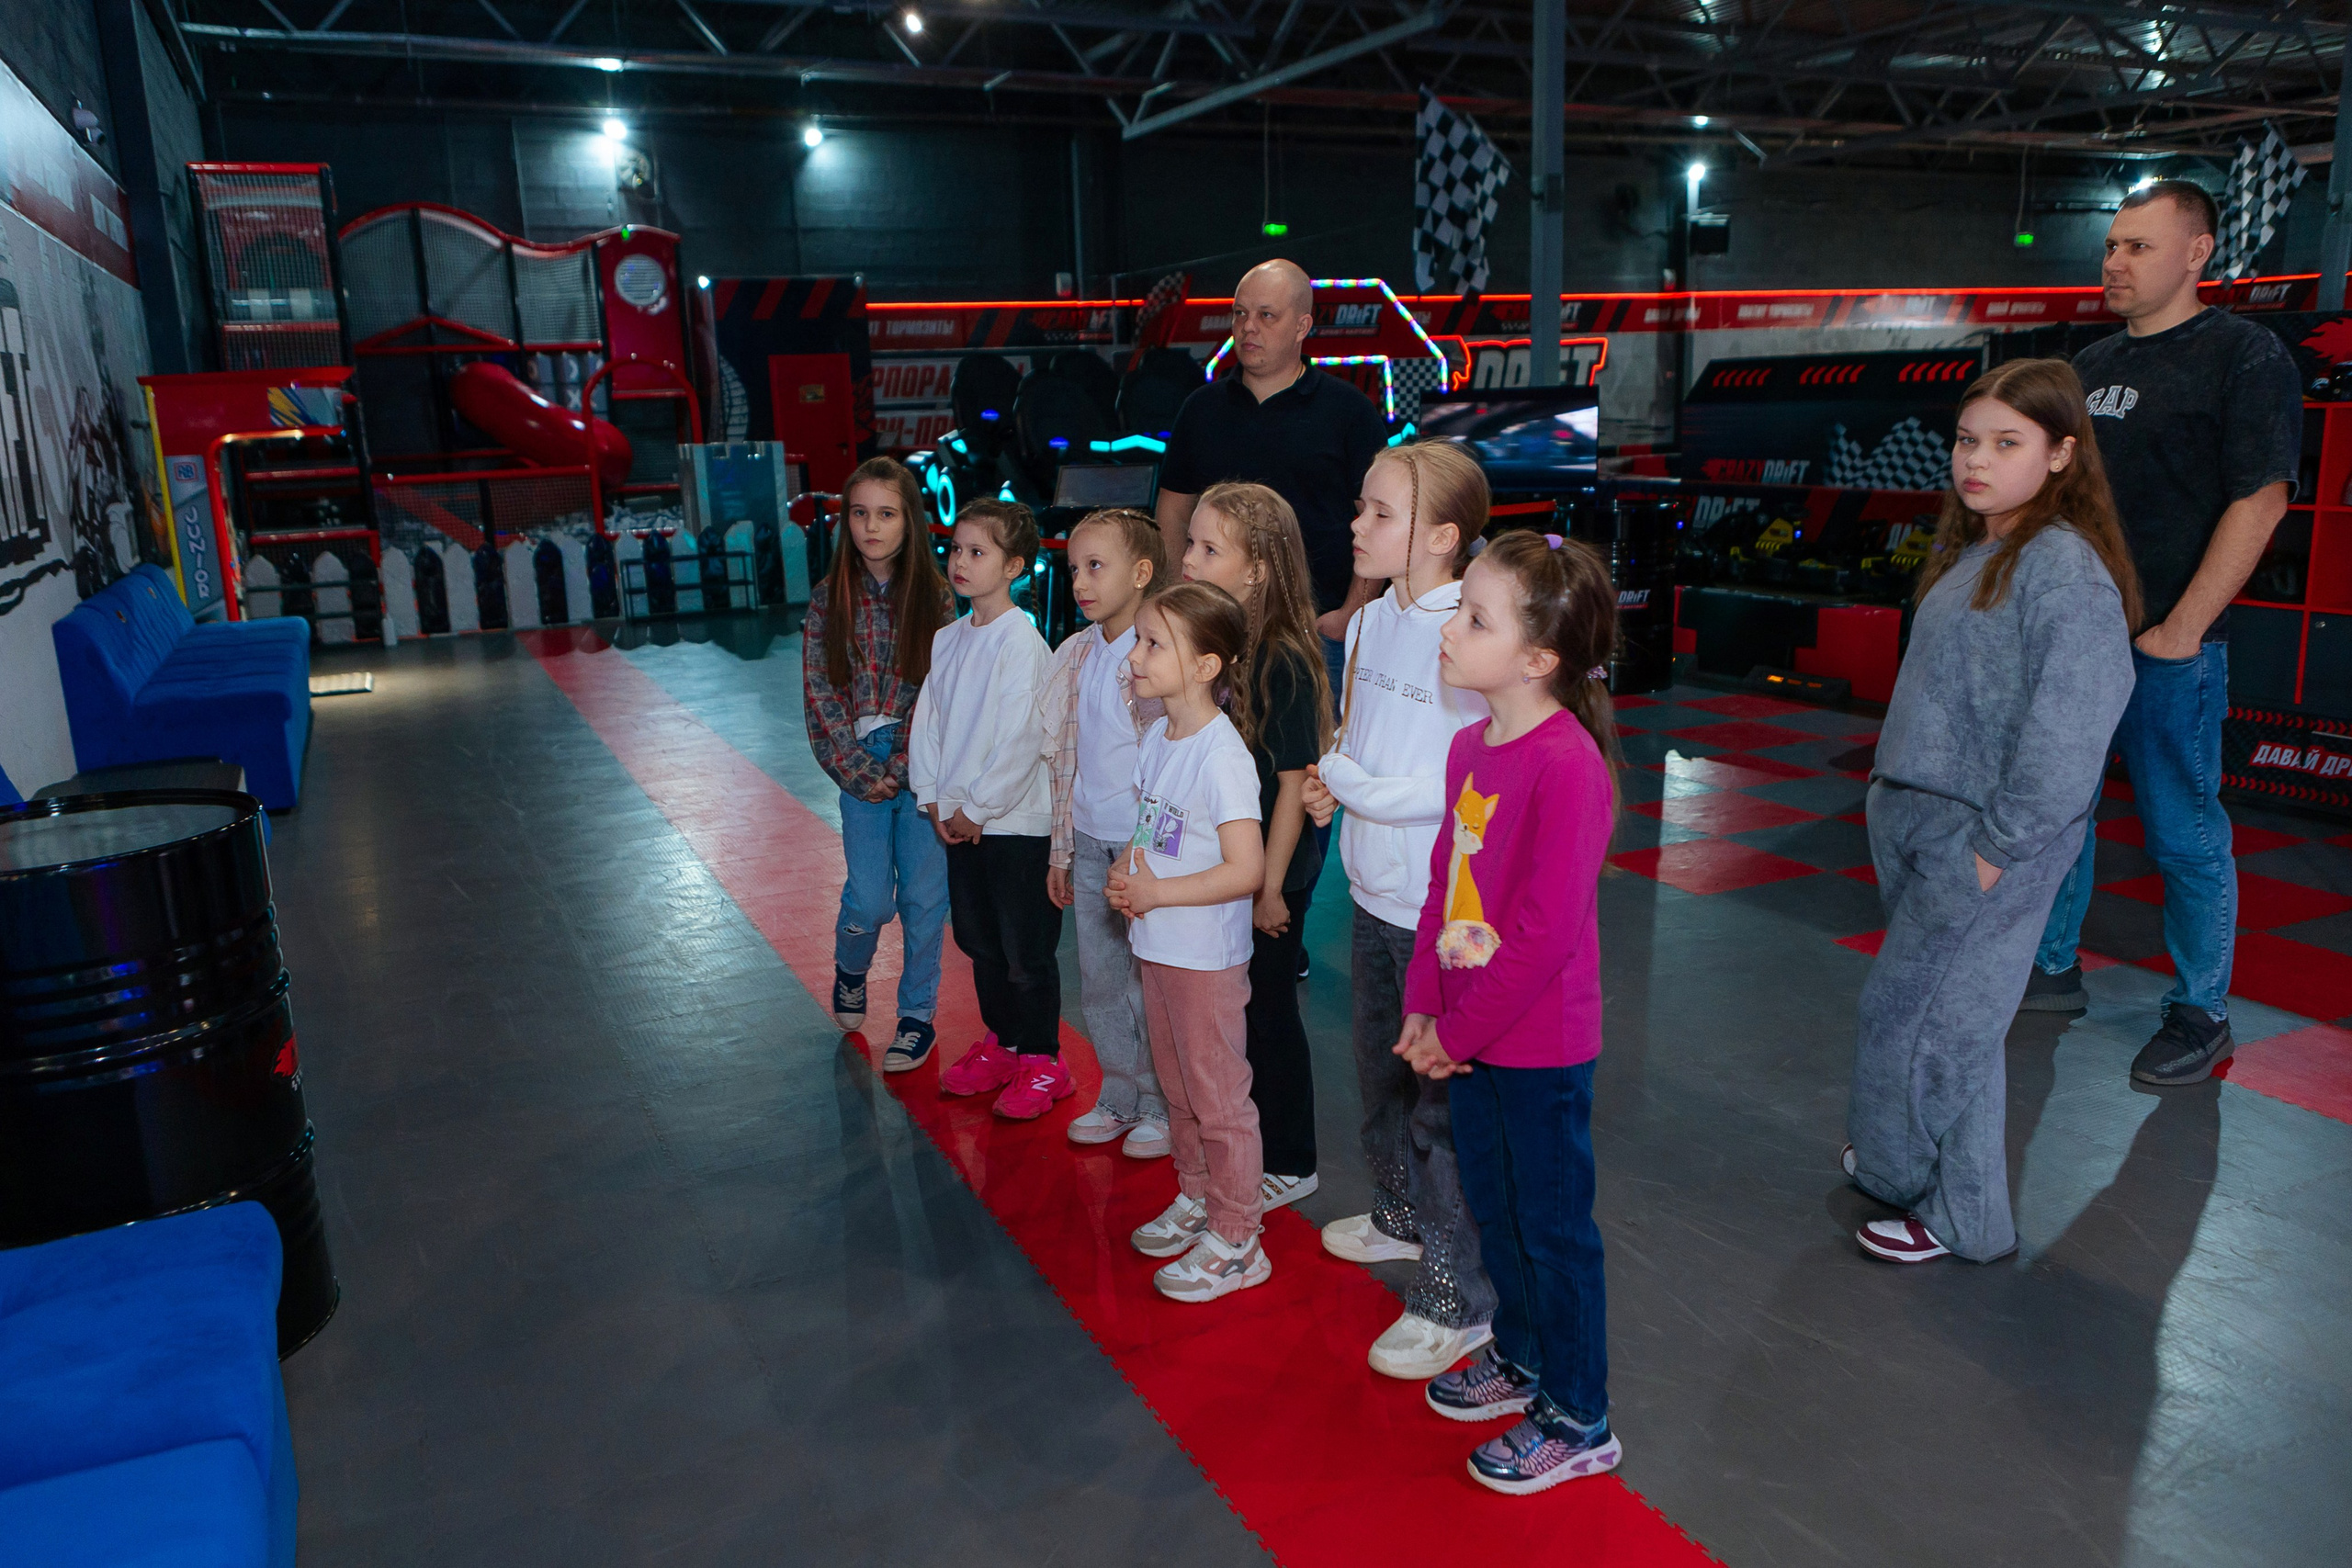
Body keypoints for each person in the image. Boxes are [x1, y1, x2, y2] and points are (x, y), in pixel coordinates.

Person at [1852, 359, 2140, 1264]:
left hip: (1981, 842)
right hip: (1923, 827)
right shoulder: (1984, 551)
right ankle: (1959, 1206)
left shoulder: (2064, 573)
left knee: (1922, 1031)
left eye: (2005, 443)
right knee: (1949, 1030)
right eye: (1967, 440)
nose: (1975, 460)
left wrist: (1995, 848)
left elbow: (2071, 734)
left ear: (2061, 454)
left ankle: (1920, 1186)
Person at [2021, 178, 2301, 1089]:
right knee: (2061, 813)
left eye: (2138, 246)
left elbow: (2259, 500)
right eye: (2110, 245)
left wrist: (2182, 628)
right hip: (2079, 640)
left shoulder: (2241, 354)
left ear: (2196, 253)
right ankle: (2052, 968)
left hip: (2170, 646)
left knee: (2182, 833)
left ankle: (2200, 1011)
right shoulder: (2089, 363)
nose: (2114, 261)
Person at [1400, 531, 1623, 1495]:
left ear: (1537, 659)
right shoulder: (1467, 749)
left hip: (1536, 1045)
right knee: (1496, 1211)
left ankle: (1580, 1416)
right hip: (1471, 1037)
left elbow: (1538, 936)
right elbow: (1443, 891)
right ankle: (1524, 1358)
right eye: (1460, 610)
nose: (1452, 628)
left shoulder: (1568, 768)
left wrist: (1460, 1030)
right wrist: (1423, 1005)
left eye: (1474, 618)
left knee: (1553, 1227)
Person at [1302, 442, 1496, 1381]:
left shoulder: (1463, 632)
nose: (1357, 527)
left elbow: (1447, 779)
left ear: (1443, 537)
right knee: (1379, 1075)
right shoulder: (1373, 619)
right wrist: (1337, 783)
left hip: (1433, 903)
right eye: (1361, 507)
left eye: (1381, 514)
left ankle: (1456, 1296)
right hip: (1374, 886)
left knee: (1437, 1105)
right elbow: (1358, 733)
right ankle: (1400, 1217)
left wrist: (1346, 781)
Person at [1107, 583, 1270, 1303]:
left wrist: (1158, 893)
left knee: (1218, 1094)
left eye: (1152, 644)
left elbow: (1247, 868)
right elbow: (1150, 834)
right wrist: (1125, 872)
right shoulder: (1157, 736)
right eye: (1138, 639)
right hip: (1158, 944)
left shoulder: (1221, 755)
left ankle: (1239, 1237)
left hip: (1203, 954)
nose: (1135, 655)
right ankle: (1198, 1195)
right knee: (1176, 1086)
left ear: (1205, 665)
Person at [1180, 482, 1332, 1213]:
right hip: (1235, 866)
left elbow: (1294, 785)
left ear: (1257, 569)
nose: (1189, 559)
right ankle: (1249, 1139)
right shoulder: (1224, 642)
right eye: (1190, 543)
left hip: (1276, 866)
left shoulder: (1281, 658)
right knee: (1237, 1008)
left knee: (1269, 1008)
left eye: (1210, 549)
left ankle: (1293, 1156)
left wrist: (1269, 887)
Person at [1154, 259, 1389, 704]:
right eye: (1240, 313)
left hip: (1319, 633)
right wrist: (1177, 595)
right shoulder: (1201, 410)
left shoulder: (1349, 412)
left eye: (1266, 315)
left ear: (1302, 325)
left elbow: (1377, 517)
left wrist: (1353, 611)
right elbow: (1173, 509)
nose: (1248, 328)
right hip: (1215, 630)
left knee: (1312, 766)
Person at [912, 499, 1065, 1117]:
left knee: (1024, 947)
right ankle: (1003, 1043)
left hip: (1012, 825)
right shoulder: (948, 639)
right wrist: (934, 797)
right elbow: (929, 722)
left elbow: (1022, 736)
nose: (961, 562)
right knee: (979, 941)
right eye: (957, 550)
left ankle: (1042, 1058)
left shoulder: (1021, 640)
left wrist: (976, 806)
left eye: (979, 552)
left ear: (1015, 567)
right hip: (960, 823)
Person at [802, 456, 956, 1070]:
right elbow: (821, 699)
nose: (872, 526)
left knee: (925, 897)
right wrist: (870, 772)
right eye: (860, 513)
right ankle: (851, 966)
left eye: (886, 513)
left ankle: (917, 1015)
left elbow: (941, 693)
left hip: (924, 767)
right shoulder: (827, 599)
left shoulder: (939, 598)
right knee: (870, 900)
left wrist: (910, 759)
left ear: (910, 521)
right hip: (859, 769)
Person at [1040, 507, 1172, 1157]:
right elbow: (1067, 757)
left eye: (1097, 566)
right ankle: (1119, 1092)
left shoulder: (1152, 662)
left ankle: (1161, 1102)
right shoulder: (1080, 654)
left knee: (1147, 981)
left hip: (1140, 850)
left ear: (1142, 573)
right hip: (1090, 842)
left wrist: (1143, 848)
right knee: (1098, 978)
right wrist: (1062, 849)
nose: (1081, 582)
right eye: (1073, 568)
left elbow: (1166, 764)